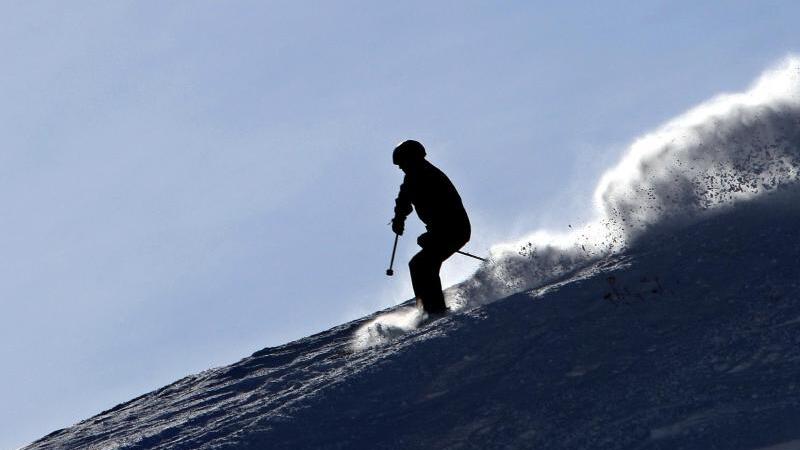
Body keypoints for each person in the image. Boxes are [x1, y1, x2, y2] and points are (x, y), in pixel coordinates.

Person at [390, 140, 471, 315]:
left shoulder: (429, 176)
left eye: (403, 163)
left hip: (455, 228)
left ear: (413, 159)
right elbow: (404, 200)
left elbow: (445, 209)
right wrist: (399, 219)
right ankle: (431, 308)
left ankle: (434, 309)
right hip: (447, 230)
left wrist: (433, 235)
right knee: (421, 264)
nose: (401, 168)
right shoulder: (412, 178)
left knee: (421, 264)